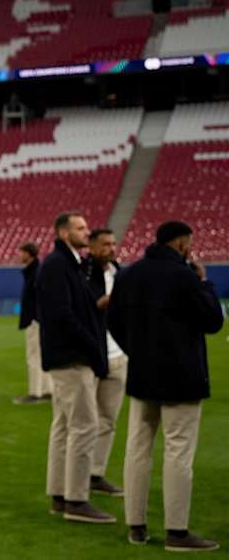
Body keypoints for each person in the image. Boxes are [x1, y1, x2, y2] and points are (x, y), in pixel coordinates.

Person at [109, 221, 224, 551]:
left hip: (143, 375)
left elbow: (114, 321)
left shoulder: (129, 275)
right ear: (180, 243)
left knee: (137, 449)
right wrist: (206, 283)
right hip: (182, 377)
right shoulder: (185, 276)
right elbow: (213, 320)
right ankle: (177, 531)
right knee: (178, 452)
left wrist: (139, 352)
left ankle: (136, 526)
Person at [38, 211, 113, 524]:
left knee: (65, 427)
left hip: (67, 355)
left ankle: (60, 495)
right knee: (84, 426)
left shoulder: (68, 264)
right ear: (64, 233)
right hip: (70, 356)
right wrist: (92, 348)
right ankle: (76, 500)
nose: (87, 231)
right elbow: (64, 316)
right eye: (81, 228)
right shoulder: (59, 265)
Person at [85, 228, 125, 497]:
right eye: (105, 244)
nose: (111, 249)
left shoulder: (120, 274)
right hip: (90, 354)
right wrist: (98, 305)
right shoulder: (82, 274)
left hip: (118, 355)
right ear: (92, 247)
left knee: (108, 420)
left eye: (113, 244)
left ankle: (96, 474)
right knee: (83, 420)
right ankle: (76, 475)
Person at [14, 241, 53, 405]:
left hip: (35, 320)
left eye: (21, 252)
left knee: (34, 357)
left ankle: (35, 392)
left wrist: (34, 318)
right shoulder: (36, 270)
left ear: (28, 254)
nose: (19, 255)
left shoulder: (35, 272)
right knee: (42, 355)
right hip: (39, 319)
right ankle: (47, 390)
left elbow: (38, 298)